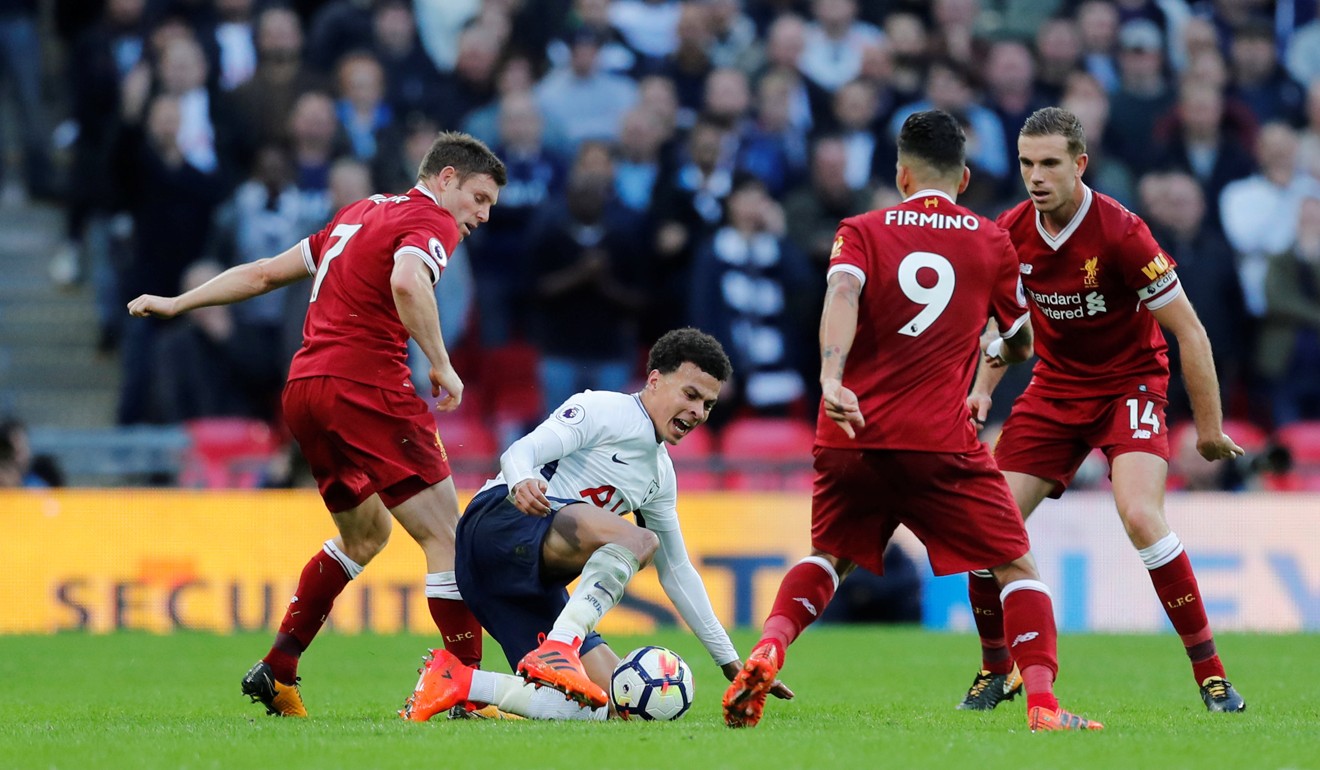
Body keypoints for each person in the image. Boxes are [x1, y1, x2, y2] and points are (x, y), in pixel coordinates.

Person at [721, 109, 1102, 733]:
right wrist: (998, 354)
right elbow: (1020, 339)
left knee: (828, 557)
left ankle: (768, 649)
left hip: (851, 433)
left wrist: (831, 378)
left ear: (901, 176)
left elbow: (841, 296)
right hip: (937, 443)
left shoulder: (861, 229)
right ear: (965, 178)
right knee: (1016, 568)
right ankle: (1044, 707)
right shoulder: (991, 240)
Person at [126, 131, 507, 717]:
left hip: (306, 389)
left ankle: (278, 669)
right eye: (480, 198)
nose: (482, 216)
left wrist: (179, 304)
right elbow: (409, 280)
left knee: (365, 536)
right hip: (367, 385)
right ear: (447, 178)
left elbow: (261, 275)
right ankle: (466, 695)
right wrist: (441, 364)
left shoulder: (358, 214)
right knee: (446, 540)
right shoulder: (433, 222)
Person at [957, 107, 1246, 714]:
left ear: (1080, 164)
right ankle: (995, 670)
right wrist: (984, 386)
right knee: (986, 527)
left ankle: (1213, 677)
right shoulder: (1009, 232)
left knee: (1141, 516)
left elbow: (1190, 332)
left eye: (1050, 164)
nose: (1036, 176)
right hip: (1056, 389)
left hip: (1129, 386)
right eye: (1026, 164)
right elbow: (1007, 328)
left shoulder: (1121, 232)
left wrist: (1211, 430)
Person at [401, 328, 793, 722]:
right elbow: (523, 449)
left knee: (608, 706)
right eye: (690, 395)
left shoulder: (660, 476)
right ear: (654, 381)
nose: (698, 412)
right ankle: (560, 645)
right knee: (640, 539)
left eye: (708, 404)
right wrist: (521, 479)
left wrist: (731, 664)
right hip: (501, 522)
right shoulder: (605, 410)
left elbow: (677, 573)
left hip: (526, 579)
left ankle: (459, 682)